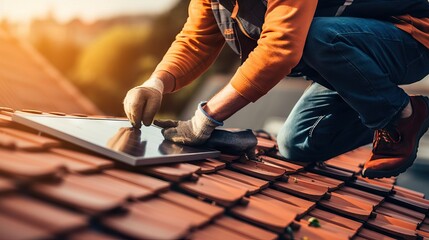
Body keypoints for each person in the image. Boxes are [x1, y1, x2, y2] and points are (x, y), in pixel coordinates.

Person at [123, 0, 429, 178]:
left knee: (312, 36)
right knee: (296, 145)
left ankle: (401, 115)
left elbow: (280, 48)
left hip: (410, 36)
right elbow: (196, 40)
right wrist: (156, 82)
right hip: (354, 58)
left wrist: (205, 119)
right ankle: (401, 110)